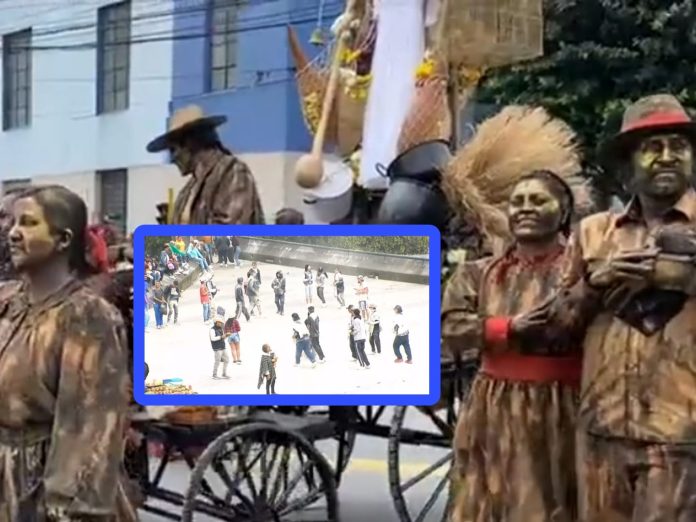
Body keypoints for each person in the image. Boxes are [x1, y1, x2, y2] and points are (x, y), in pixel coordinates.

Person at [513, 95, 696, 522]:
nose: (666, 156)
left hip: (682, 435)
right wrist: (597, 281)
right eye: (651, 147)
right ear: (629, 162)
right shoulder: (594, 234)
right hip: (601, 432)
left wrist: (682, 279)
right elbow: (554, 331)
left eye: (678, 145)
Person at [442, 170, 580, 521]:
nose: (525, 209)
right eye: (517, 202)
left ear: (563, 212)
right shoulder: (478, 273)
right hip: (491, 406)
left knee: (554, 500)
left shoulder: (582, 272)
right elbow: (451, 326)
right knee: (485, 499)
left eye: (538, 200)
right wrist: (508, 329)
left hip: (561, 407)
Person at [0, 185, 135, 520]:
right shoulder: (8, 301)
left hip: (41, 488)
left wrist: (66, 509)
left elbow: (89, 430)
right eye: (13, 223)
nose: (13, 233)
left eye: (29, 223)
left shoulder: (87, 318)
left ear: (63, 240)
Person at [146, 105, 264, 224]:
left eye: (173, 150)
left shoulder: (233, 173)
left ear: (190, 144)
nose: (172, 159)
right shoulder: (188, 190)